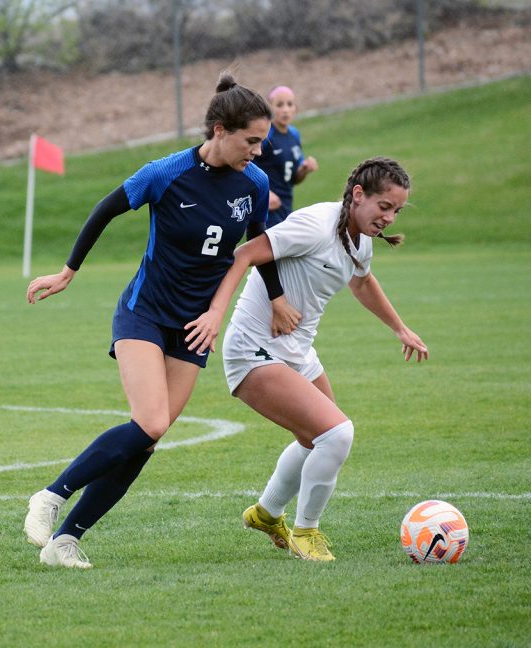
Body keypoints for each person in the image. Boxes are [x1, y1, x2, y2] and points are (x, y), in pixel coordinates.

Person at [22, 72, 295, 569]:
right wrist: (68, 272)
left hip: (194, 327)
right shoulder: (166, 172)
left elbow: (258, 246)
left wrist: (276, 298)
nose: (257, 152)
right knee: (150, 421)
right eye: (251, 141)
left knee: (147, 441)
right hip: (144, 312)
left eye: (263, 142)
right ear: (218, 130)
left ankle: (64, 542)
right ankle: (50, 495)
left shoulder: (254, 183)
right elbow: (106, 208)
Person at [183, 156, 429, 561]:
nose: (388, 217)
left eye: (396, 210)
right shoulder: (314, 225)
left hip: (297, 351)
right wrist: (228, 313)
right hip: (253, 349)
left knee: (318, 438)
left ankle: (266, 513)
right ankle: (306, 531)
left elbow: (362, 281)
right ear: (357, 195)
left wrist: (400, 328)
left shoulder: (360, 238)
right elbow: (244, 254)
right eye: (384, 206)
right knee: (337, 434)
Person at [253, 85, 318, 226]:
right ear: (269, 109)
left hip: (286, 205)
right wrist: (265, 193)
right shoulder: (265, 136)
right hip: (266, 208)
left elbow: (294, 178)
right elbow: (245, 165)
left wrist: (304, 169)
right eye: (279, 105)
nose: (285, 110)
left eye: (290, 104)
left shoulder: (294, 135)